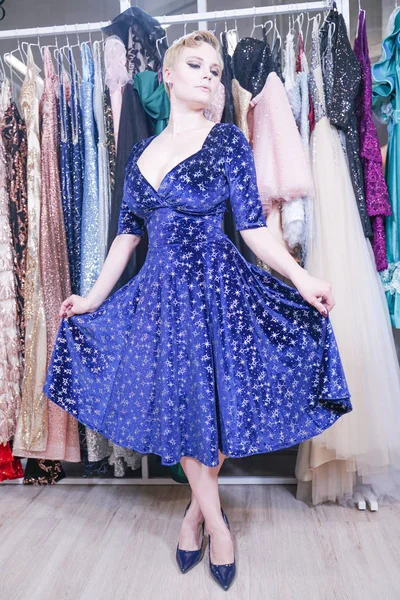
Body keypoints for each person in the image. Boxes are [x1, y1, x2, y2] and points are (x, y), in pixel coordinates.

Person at [43, 31, 352, 591]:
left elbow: (254, 228)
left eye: (215, 67)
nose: (210, 74)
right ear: (166, 75)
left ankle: (198, 517)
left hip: (219, 291)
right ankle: (215, 521)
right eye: (196, 64)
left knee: (215, 408)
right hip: (161, 299)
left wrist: (302, 278)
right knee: (186, 408)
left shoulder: (229, 141)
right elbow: (126, 238)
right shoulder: (138, 155)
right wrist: (91, 299)